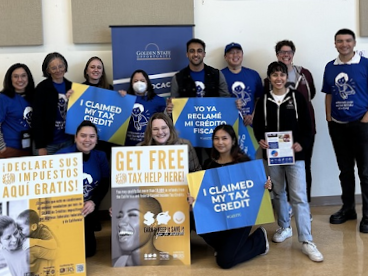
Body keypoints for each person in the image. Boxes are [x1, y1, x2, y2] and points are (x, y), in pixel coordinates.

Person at [253, 61, 323, 262]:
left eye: (282, 75)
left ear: (286, 77)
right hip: (273, 156)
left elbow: (308, 126)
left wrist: (302, 143)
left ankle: (307, 241)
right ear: (269, 78)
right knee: (277, 193)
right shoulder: (264, 100)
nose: (278, 78)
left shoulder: (297, 97)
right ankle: (284, 226)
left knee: (299, 196)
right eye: (274, 75)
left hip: (295, 155)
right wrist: (261, 139)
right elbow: (258, 126)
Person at [188, 124, 271, 269]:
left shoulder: (244, 162)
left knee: (225, 261)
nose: (220, 142)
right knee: (193, 217)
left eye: (224, 138)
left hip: (241, 219)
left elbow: (257, 189)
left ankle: (259, 240)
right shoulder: (208, 164)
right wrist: (194, 199)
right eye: (216, 138)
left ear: (233, 141)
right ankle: (226, 246)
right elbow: (204, 195)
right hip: (219, 217)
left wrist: (267, 185)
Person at [322, 28, 368, 233]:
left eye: (348, 40)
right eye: (339, 41)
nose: (344, 44)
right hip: (338, 126)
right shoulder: (330, 67)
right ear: (335, 44)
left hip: (362, 125)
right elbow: (329, 93)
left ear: (354, 43)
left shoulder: (365, 64)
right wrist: (329, 118)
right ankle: (348, 209)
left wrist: (366, 119)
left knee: (365, 173)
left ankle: (367, 215)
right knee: (345, 171)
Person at [264, 40, 317, 203]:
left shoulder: (304, 74)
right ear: (277, 54)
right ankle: (285, 206)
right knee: (280, 169)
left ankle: (303, 203)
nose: (285, 55)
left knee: (303, 167)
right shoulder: (268, 79)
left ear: (293, 54)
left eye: (289, 52)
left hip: (303, 131)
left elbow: (311, 94)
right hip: (278, 134)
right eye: (282, 52)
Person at [169, 38, 230, 165]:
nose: (195, 54)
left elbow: (226, 100)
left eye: (199, 51)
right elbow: (174, 103)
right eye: (192, 51)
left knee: (217, 164)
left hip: (212, 128)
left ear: (204, 54)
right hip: (189, 130)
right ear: (187, 54)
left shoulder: (216, 74)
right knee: (190, 165)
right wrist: (170, 107)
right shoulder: (178, 78)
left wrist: (234, 105)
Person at [56, 120, 110, 257]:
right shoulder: (60, 156)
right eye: (83, 135)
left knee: (89, 252)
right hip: (65, 209)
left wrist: (93, 202)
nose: (87, 140)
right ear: (75, 137)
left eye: (92, 136)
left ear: (96, 139)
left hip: (87, 208)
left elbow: (105, 182)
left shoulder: (100, 156)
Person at [32, 52, 74, 155]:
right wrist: (40, 146)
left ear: (65, 66)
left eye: (61, 66)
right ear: (48, 70)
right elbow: (36, 119)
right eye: (53, 68)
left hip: (67, 141)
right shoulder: (41, 88)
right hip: (48, 144)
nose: (58, 70)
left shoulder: (72, 87)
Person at [120, 70, 166, 146]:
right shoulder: (125, 98)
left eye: (142, 80)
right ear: (131, 84)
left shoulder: (158, 100)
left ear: (147, 82)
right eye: (135, 81)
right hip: (129, 145)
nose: (139, 83)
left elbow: (165, 120)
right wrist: (119, 98)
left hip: (151, 144)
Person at [221, 42, 263, 126]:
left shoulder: (253, 75)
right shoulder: (218, 76)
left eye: (238, 52)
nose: (235, 55)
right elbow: (214, 101)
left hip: (251, 125)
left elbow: (259, 99)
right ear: (225, 57)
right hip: (227, 124)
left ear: (242, 55)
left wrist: (253, 116)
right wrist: (229, 104)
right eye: (231, 53)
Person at [0, 63, 35, 158]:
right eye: (16, 76)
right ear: (10, 79)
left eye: (23, 76)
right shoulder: (3, 98)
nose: (20, 80)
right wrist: (2, 148)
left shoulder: (34, 96)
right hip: (10, 149)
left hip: (31, 149)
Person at [16, 209, 57, 274]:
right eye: (17, 228)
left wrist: (35, 242)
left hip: (54, 253)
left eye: (21, 228)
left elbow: (53, 244)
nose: (19, 231)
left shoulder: (43, 230)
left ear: (33, 227)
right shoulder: (25, 233)